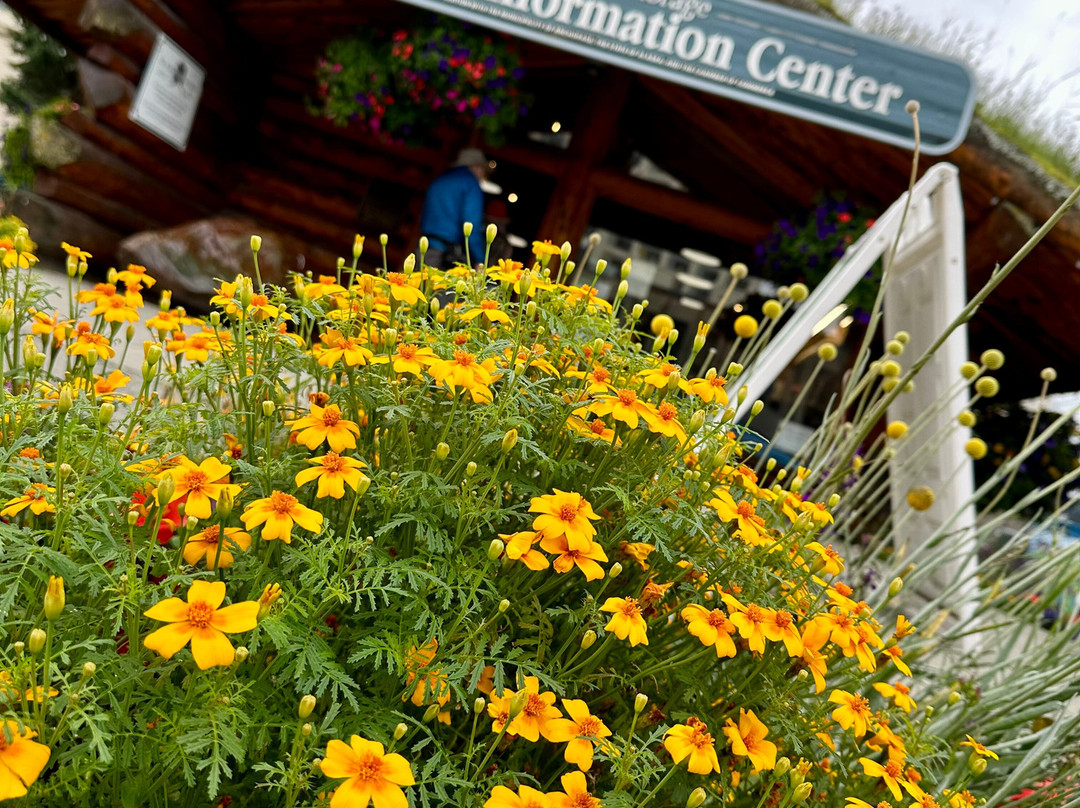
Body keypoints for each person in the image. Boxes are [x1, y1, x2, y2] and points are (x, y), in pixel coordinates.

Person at [420, 148, 489, 268]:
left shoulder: (441, 179)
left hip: (423, 244)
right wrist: (480, 260)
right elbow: (471, 225)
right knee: (432, 286)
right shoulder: (471, 184)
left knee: (415, 282)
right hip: (443, 252)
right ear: (477, 167)